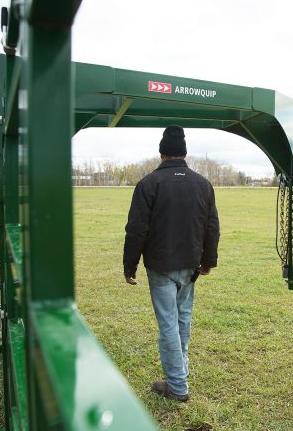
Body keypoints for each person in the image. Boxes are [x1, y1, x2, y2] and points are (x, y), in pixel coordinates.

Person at [123, 124, 220, 402]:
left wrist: (130, 266)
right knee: (182, 321)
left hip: (160, 266)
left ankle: (177, 386)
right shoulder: (203, 184)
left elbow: (136, 230)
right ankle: (179, 376)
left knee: (169, 324)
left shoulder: (148, 184)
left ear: (162, 153)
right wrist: (208, 261)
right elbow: (212, 226)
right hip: (191, 266)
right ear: (184, 153)